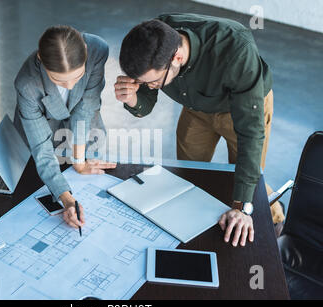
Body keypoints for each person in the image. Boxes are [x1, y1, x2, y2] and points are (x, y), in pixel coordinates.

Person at [114, 13, 284, 247]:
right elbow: (146, 103)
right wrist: (134, 98)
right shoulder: (155, 39)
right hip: (196, 106)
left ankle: (274, 216)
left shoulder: (237, 50)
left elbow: (251, 137)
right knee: (190, 171)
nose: (149, 87)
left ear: (178, 57)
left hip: (243, 110)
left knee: (245, 178)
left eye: (153, 82)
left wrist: (241, 208)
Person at [14, 25, 116, 229]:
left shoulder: (97, 50)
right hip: (46, 129)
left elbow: (86, 105)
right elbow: (42, 148)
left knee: (89, 161)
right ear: (41, 60)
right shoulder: (27, 84)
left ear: (86, 51)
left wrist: (78, 161)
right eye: (59, 80)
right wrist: (67, 199)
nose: (70, 86)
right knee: (42, 172)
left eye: (77, 77)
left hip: (85, 126)